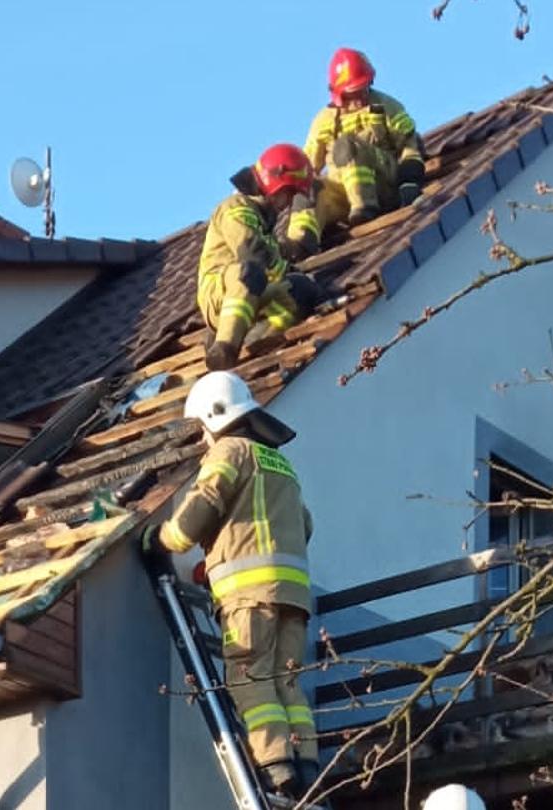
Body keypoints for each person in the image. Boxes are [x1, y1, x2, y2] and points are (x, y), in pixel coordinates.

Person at [153, 371, 319, 797]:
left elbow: (206, 502)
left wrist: (164, 540)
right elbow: (304, 524)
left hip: (249, 598)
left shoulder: (229, 451)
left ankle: (277, 765)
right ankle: (307, 763)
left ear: (212, 417)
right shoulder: (280, 462)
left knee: (250, 677)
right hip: (294, 597)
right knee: (287, 683)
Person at [197, 145, 324, 371]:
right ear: (275, 183)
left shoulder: (263, 218)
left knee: (300, 290)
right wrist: (285, 269)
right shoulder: (235, 208)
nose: (288, 203)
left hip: (256, 290)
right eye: (289, 193)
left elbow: (273, 257)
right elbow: (252, 251)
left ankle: (256, 341)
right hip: (221, 291)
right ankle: (224, 349)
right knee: (249, 272)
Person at [304, 47, 427, 225]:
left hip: (384, 184)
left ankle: (365, 207)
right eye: (354, 92)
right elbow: (308, 168)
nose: (361, 97)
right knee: (311, 190)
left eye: (364, 89)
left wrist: (409, 182)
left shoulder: (386, 106)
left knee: (349, 145)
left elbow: (410, 145)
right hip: (344, 197)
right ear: (339, 93)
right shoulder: (323, 122)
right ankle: (302, 242)